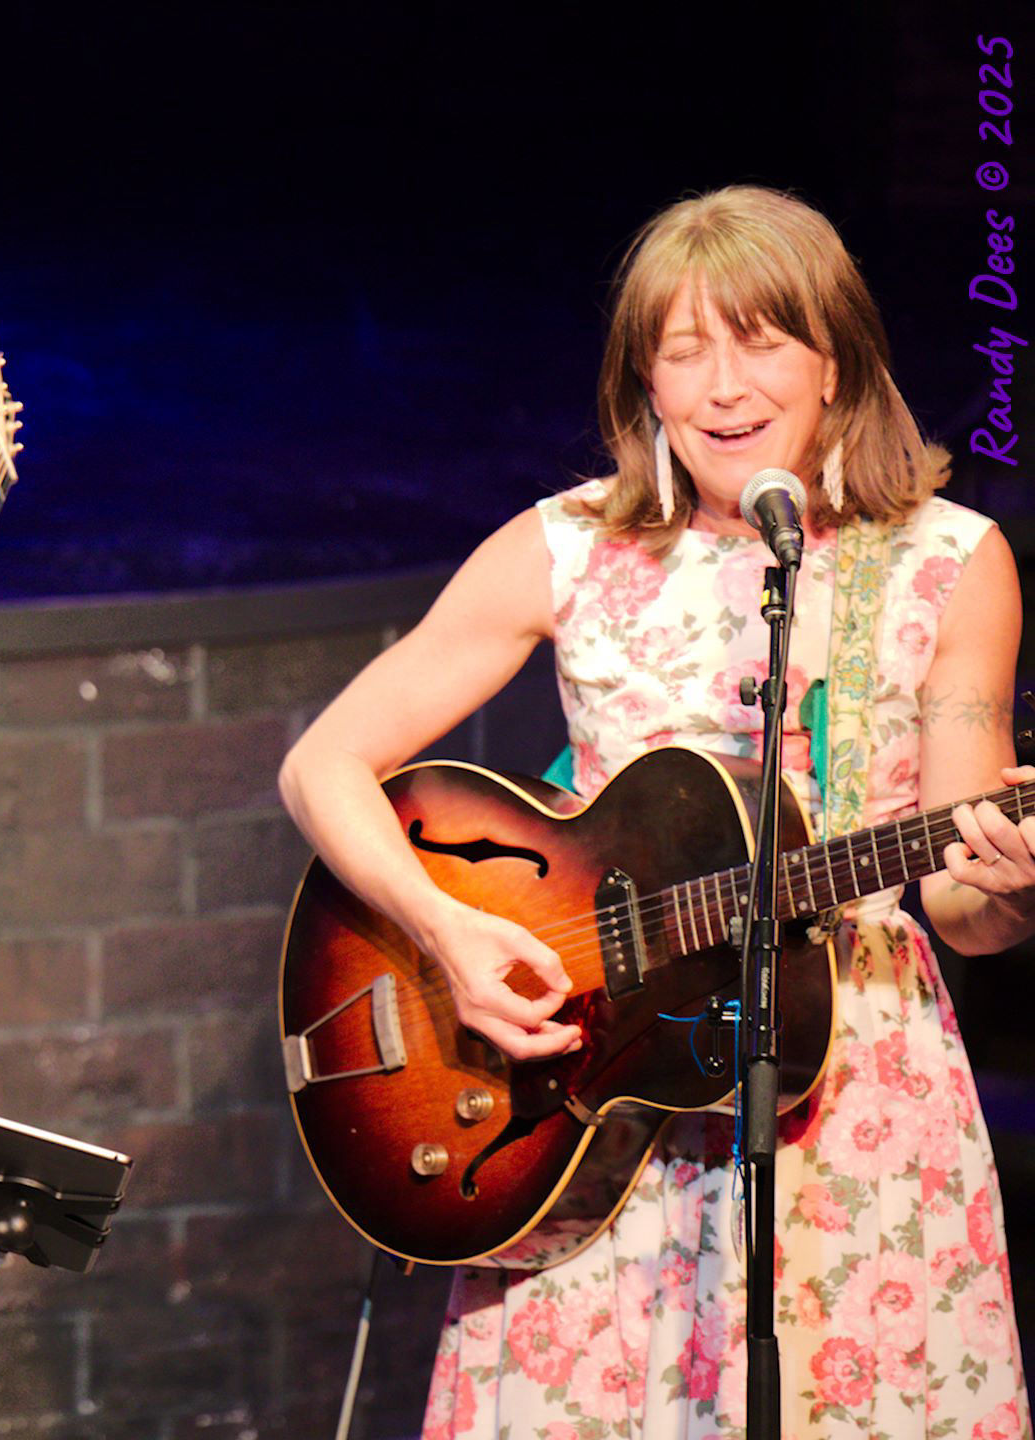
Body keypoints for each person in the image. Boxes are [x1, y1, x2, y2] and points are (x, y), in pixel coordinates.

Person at [279, 186, 1033, 1439]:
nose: (723, 388)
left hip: (853, 1108)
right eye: (685, 353)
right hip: (591, 1110)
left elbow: (961, 901)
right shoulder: (564, 547)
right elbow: (325, 766)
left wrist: (1002, 887)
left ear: (836, 361)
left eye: (760, 344)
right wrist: (448, 933)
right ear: (644, 382)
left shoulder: (949, 561)